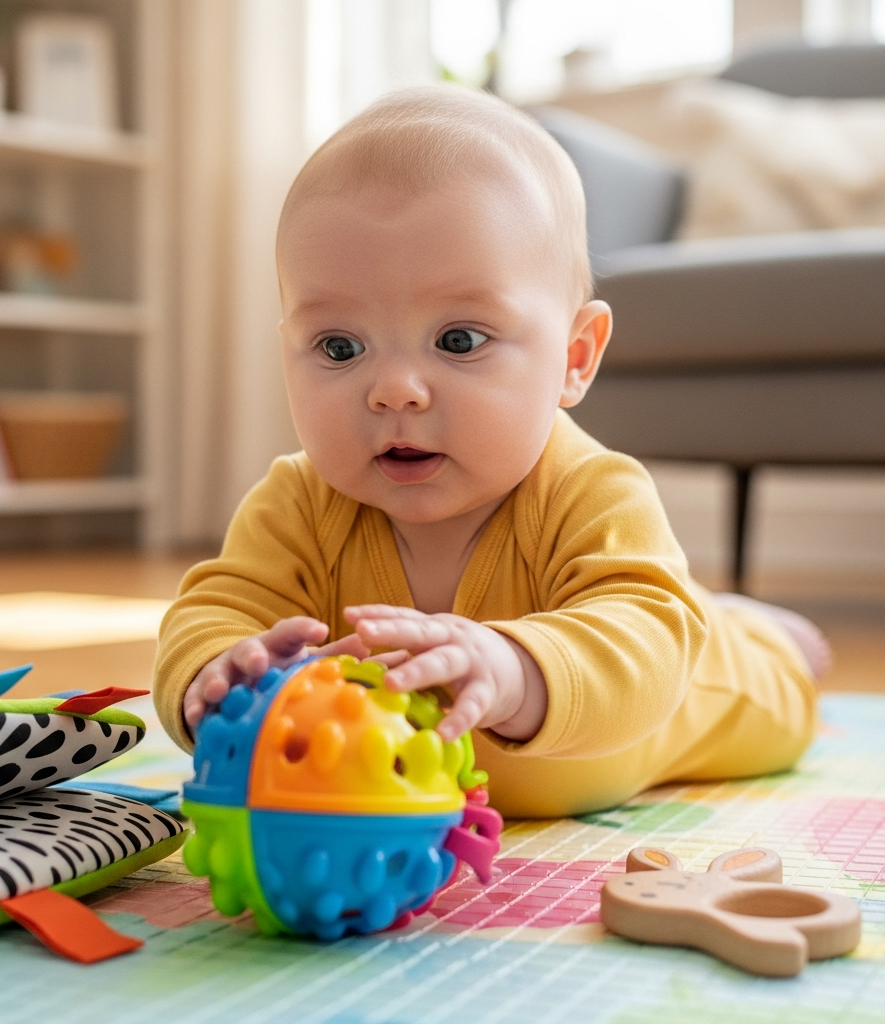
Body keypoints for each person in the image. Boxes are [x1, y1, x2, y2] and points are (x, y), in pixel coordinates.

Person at [153, 85, 828, 818]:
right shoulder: (298, 505)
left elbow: (649, 645)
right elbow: (216, 607)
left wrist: (514, 671)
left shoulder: (591, 492)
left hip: (710, 691)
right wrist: (211, 675)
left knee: (775, 665)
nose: (395, 390)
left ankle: (762, 631)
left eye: (459, 340)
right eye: (340, 347)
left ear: (574, 357)